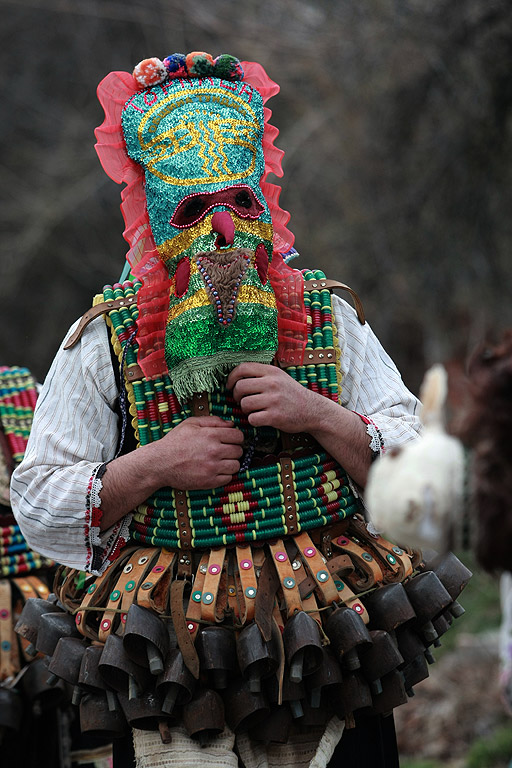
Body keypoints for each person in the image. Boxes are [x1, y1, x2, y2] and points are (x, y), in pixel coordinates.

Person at [12, 52, 424, 768]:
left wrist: (319, 415)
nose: (223, 232)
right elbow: (39, 493)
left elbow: (415, 470)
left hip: (327, 629)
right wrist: (154, 465)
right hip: (169, 642)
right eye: (195, 210)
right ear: (152, 214)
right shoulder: (105, 338)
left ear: (265, 198)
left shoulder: (328, 314)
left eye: (239, 202)